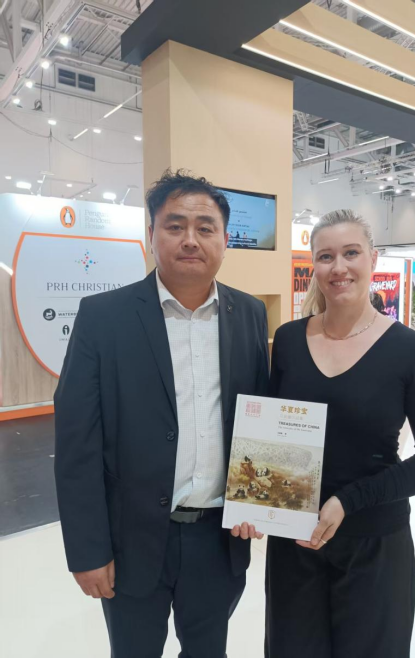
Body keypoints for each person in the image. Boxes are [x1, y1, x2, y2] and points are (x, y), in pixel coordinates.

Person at [54, 169, 270, 658]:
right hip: (131, 541)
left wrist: (258, 502)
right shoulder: (103, 317)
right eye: (175, 226)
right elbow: (77, 443)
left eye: (205, 227)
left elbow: (255, 415)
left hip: (218, 539)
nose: (190, 239)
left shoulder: (249, 314)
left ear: (225, 240)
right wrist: (88, 550)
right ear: (151, 234)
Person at [266, 210, 415, 658]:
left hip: (375, 542)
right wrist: (256, 503)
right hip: (295, 542)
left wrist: (347, 501)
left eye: (351, 253)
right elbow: (273, 434)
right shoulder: (289, 340)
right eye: (325, 256)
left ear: (373, 258)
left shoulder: (412, 351)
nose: (339, 267)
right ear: (314, 266)